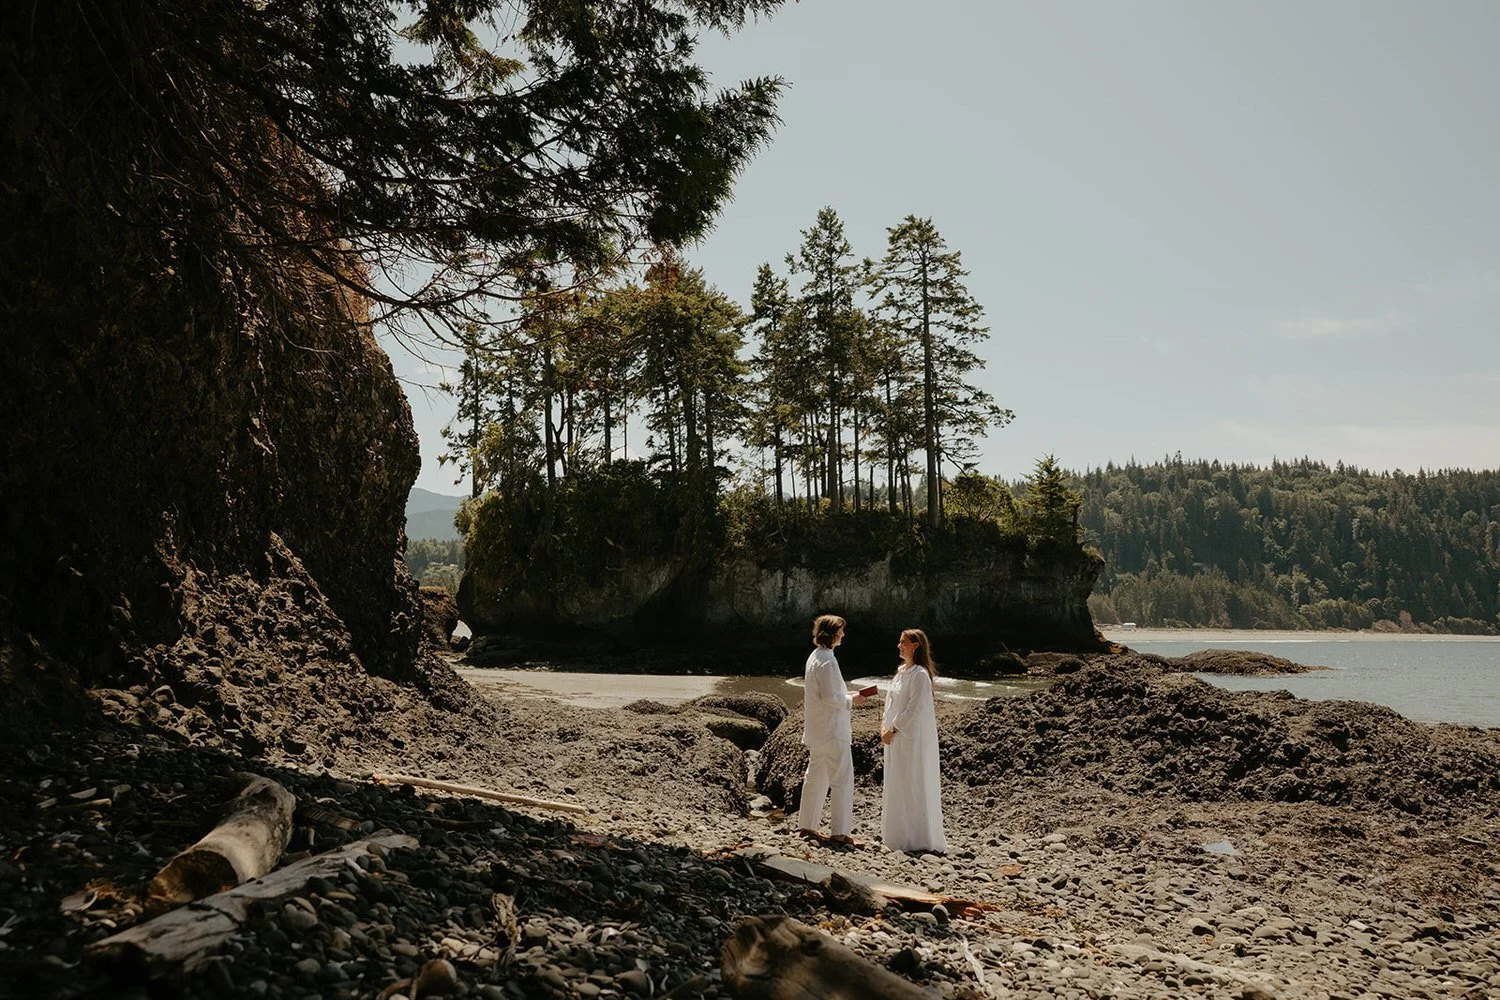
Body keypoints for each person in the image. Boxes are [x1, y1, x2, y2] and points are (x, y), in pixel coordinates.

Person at [797, 614, 868, 845]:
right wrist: (852, 700)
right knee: (842, 780)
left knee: (815, 778)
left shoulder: (814, 657)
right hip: (832, 730)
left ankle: (807, 826)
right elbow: (829, 697)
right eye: (841, 631)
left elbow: (821, 695)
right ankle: (840, 832)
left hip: (817, 729)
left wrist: (846, 697)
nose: (844, 635)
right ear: (833, 634)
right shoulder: (828, 660)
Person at [880, 628, 947, 854]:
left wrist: (894, 729)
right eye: (899, 642)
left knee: (912, 782)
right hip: (894, 737)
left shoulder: (920, 674)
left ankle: (917, 838)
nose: (899, 646)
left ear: (915, 645)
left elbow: (914, 708)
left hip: (909, 738)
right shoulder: (900, 672)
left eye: (903, 642)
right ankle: (897, 837)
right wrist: (883, 726)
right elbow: (889, 703)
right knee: (897, 782)